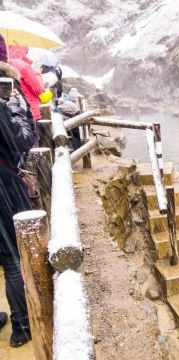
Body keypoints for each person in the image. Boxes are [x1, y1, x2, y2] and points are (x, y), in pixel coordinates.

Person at [0, 34, 35, 347]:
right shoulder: (4, 91)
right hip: (3, 184)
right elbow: (21, 140)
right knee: (12, 257)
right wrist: (15, 105)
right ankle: (23, 328)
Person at [8, 45, 44, 121]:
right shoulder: (23, 65)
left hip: (8, 113)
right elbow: (39, 90)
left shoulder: (5, 64)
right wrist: (37, 75)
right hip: (29, 110)